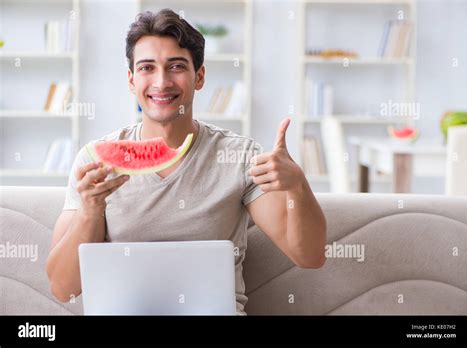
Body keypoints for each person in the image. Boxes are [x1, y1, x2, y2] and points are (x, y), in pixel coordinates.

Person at [46, 9, 327, 315]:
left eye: (176, 66)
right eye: (147, 68)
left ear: (200, 77)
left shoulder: (239, 157)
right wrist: (89, 212)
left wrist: (298, 187)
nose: (161, 82)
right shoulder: (95, 162)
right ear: (131, 80)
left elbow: (310, 256)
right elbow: (63, 288)